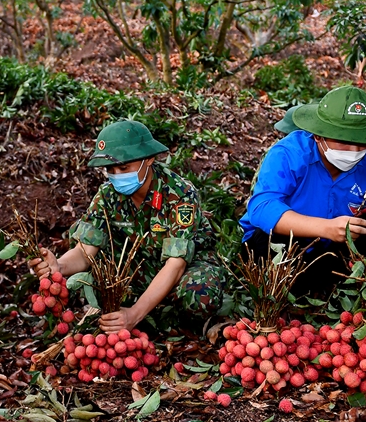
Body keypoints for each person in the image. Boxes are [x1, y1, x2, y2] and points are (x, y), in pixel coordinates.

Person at [30, 121, 226, 332]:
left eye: (124, 167)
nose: (117, 174)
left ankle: (166, 315)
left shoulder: (179, 194)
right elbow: (85, 251)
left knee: (198, 298)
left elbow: (176, 264)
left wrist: (134, 314)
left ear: (149, 158)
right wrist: (59, 266)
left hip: (187, 265)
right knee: (88, 285)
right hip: (141, 267)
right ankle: (150, 306)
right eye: (110, 169)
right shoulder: (107, 195)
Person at [239, 86, 366, 299]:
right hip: (281, 244)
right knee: (265, 242)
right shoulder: (290, 153)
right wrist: (326, 227)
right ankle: (304, 286)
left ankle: (340, 281)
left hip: (331, 248)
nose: (353, 151)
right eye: (343, 140)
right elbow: (262, 208)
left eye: (361, 143)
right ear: (318, 135)